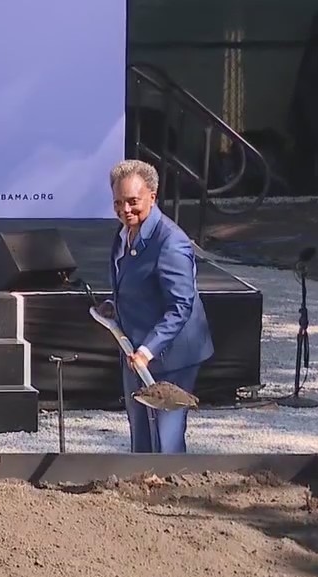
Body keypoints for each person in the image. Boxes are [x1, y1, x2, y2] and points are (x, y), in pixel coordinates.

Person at [99, 159, 213, 453]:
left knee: (166, 439)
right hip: (134, 350)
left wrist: (148, 350)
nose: (125, 210)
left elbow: (180, 305)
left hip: (172, 353)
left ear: (153, 196)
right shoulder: (124, 234)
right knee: (140, 431)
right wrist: (115, 307)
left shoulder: (171, 242)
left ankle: (172, 491)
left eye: (133, 202)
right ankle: (141, 488)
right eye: (118, 203)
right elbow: (135, 283)